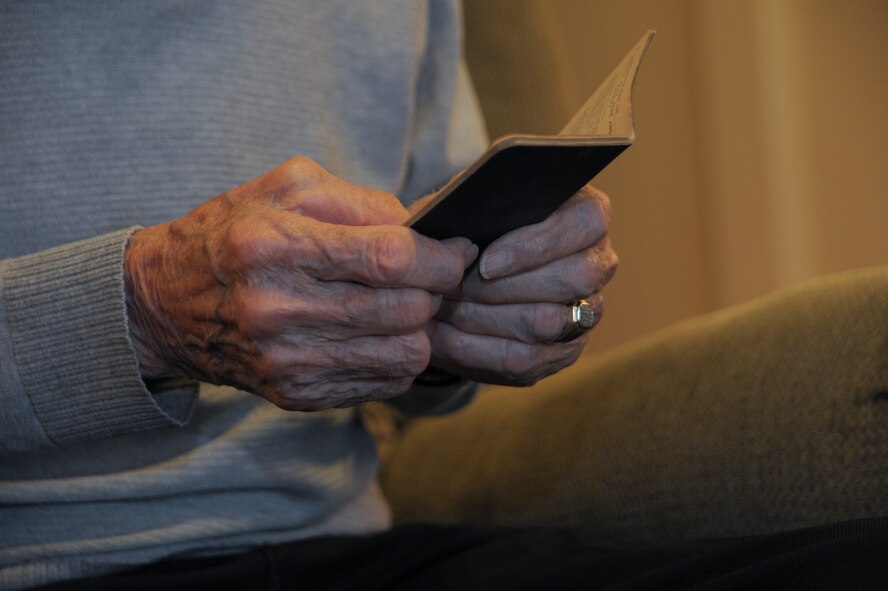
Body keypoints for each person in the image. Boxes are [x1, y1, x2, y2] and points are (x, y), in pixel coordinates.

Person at [1, 1, 614, 588]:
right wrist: (143, 314)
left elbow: (441, 286)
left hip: (347, 546)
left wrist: (459, 325)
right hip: (50, 561)